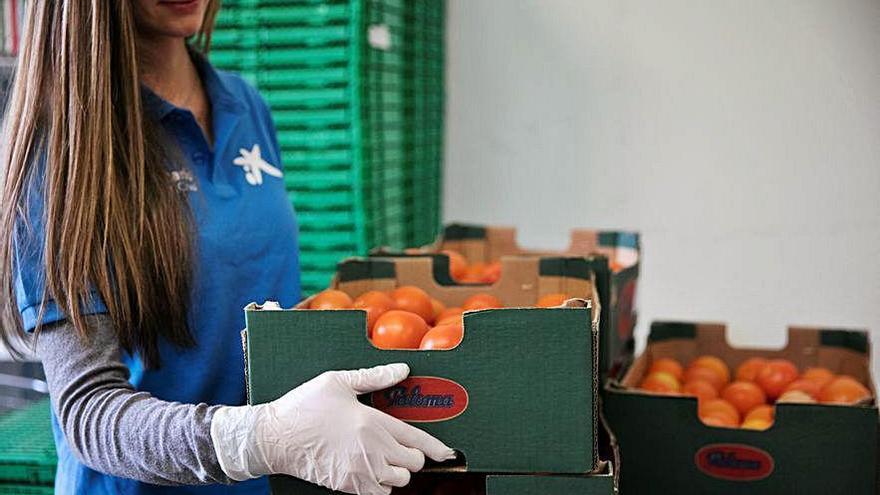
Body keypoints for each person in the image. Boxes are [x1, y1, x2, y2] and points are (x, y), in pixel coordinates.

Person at [0, 1, 453, 494]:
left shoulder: (244, 104)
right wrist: (263, 438)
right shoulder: (62, 149)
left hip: (272, 482)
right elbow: (88, 413)